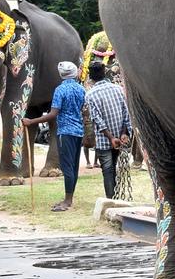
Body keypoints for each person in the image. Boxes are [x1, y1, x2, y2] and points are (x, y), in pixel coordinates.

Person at [24, 61, 86, 211]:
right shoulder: (81, 89)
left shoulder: (60, 90)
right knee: (74, 166)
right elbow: (84, 109)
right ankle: (69, 198)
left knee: (67, 167)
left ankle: (67, 201)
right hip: (78, 131)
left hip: (65, 132)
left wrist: (32, 121)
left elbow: (53, 114)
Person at [84, 62, 131, 199]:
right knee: (114, 167)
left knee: (108, 170)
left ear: (91, 77)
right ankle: (115, 198)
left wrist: (111, 138)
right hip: (119, 137)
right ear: (104, 73)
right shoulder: (118, 89)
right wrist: (123, 133)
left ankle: (111, 200)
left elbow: (97, 120)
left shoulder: (90, 95)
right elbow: (125, 113)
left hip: (105, 140)